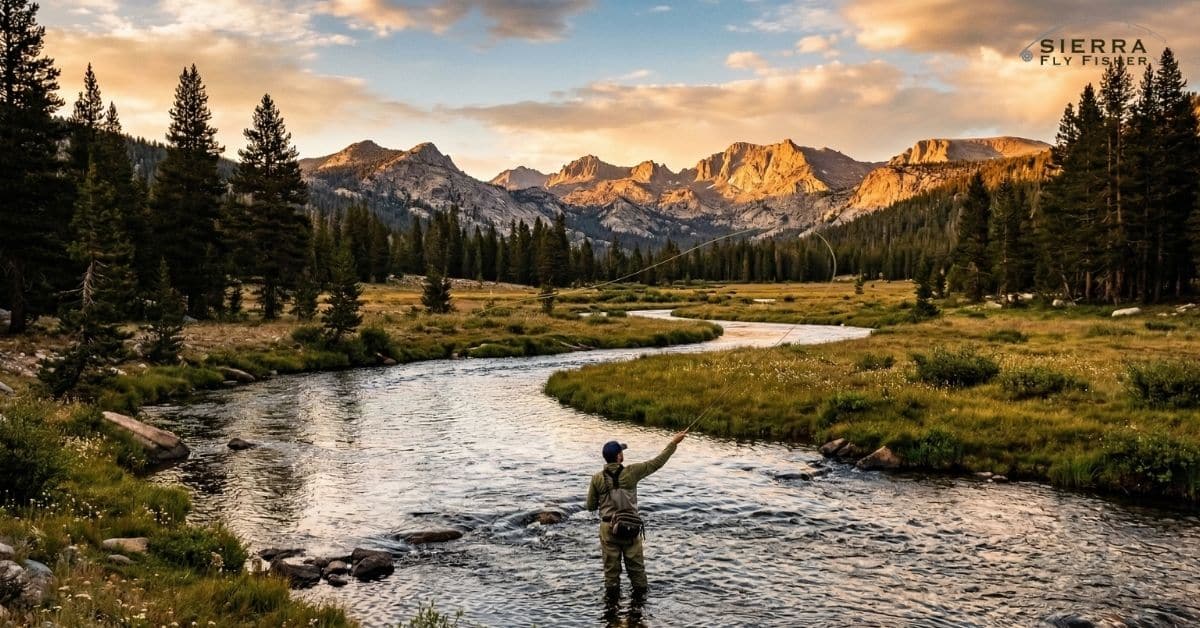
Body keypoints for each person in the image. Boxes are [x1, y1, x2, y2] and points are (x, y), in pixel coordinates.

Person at [586, 430, 688, 598]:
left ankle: (611, 613)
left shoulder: (596, 478)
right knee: (637, 572)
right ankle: (639, 610)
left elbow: (590, 506)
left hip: (607, 528)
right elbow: (657, 463)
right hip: (631, 527)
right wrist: (674, 443)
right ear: (619, 457)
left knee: (611, 574)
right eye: (621, 452)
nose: (622, 454)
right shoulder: (632, 472)